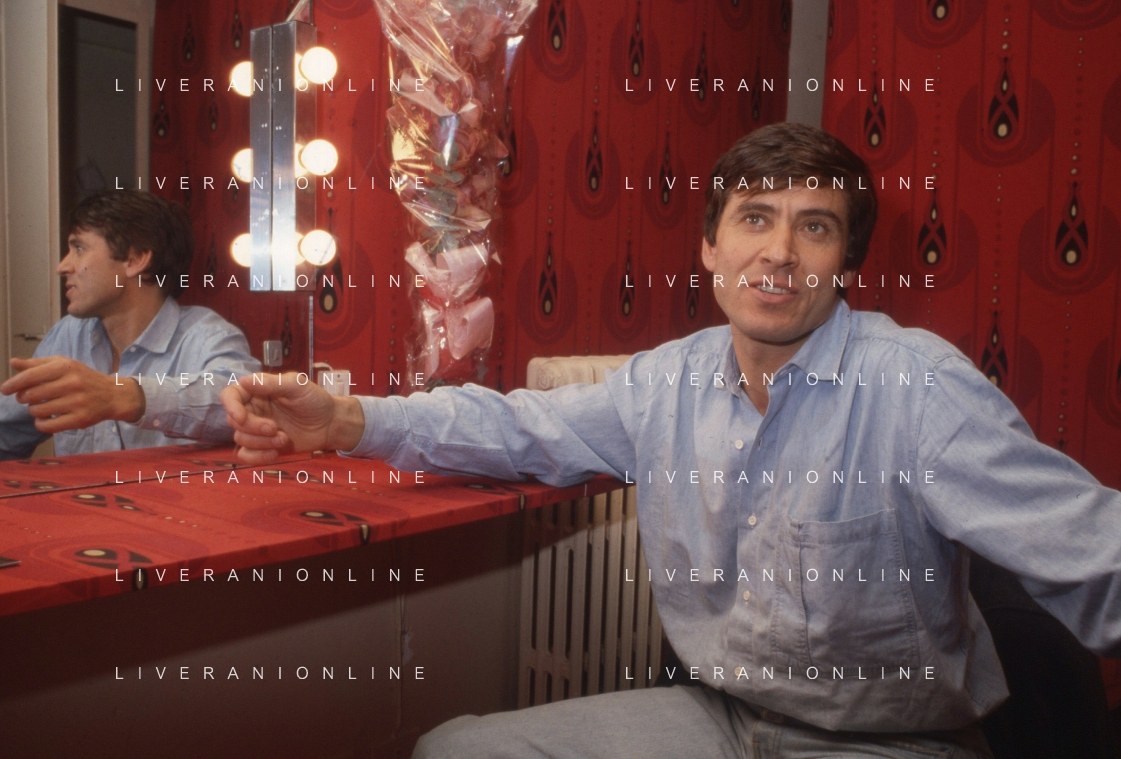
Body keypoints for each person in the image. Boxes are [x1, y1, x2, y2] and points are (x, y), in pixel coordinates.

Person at [220, 123, 1121, 757]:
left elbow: (1093, 550)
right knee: (457, 748)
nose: (778, 252)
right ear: (709, 249)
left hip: (890, 741)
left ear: (845, 263)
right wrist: (346, 420)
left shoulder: (918, 387)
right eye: (754, 219)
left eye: (813, 228)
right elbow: (517, 425)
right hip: (718, 721)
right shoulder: (666, 381)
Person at [0, 190, 261, 468]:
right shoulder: (70, 335)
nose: (62, 266)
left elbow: (246, 405)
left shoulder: (206, 335)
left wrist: (122, 396)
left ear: (134, 259)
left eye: (79, 248)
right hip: (83, 522)